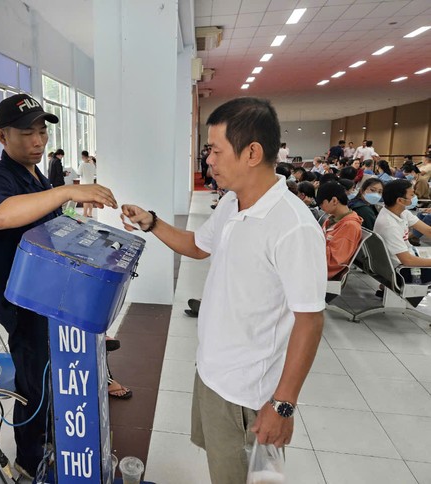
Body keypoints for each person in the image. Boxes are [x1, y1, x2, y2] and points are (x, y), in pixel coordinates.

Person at [121, 97, 326, 483]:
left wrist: (282, 405)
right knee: (220, 466)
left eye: (215, 150)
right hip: (213, 370)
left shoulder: (292, 226)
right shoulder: (233, 202)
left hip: (249, 391)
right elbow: (198, 246)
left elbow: (310, 321)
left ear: (252, 152)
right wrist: (151, 223)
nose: (209, 161)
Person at [0, 93, 119, 479]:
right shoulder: (0, 178)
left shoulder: (37, 175)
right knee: (33, 384)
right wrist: (66, 191)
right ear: (2, 136)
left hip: (50, 296)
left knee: (53, 377)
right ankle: (29, 458)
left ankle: (54, 441)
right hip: (24, 304)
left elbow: (46, 225)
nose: (38, 141)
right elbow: (2, 216)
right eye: (27, 133)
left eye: (41, 132)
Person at [373, 179, 431, 284]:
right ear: (399, 200)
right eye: (412, 195)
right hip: (401, 271)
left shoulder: (402, 212)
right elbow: (408, 260)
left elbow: (428, 231)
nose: (414, 198)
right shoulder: (389, 225)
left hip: (404, 262)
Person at [316, 182, 363, 279]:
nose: (321, 207)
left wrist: (312, 246)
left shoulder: (350, 226)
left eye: (322, 204)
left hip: (323, 271)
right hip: (317, 263)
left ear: (334, 200)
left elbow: (334, 261)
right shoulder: (332, 219)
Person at [79, 149, 97, 217]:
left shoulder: (82, 165)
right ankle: (90, 213)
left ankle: (84, 213)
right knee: (90, 199)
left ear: (83, 157)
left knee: (85, 200)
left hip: (84, 185)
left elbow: (79, 173)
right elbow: (95, 172)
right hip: (91, 184)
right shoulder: (92, 164)